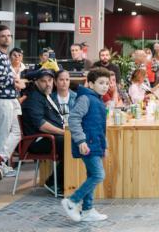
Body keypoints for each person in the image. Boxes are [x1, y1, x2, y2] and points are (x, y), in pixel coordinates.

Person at [60, 67, 112, 223]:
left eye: (107, 83)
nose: (105, 86)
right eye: (101, 83)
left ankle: (88, 210)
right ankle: (72, 201)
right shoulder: (86, 98)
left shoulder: (97, 100)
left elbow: (100, 127)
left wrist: (105, 146)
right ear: (90, 83)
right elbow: (74, 119)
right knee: (98, 175)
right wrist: (81, 141)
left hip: (96, 144)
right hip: (87, 145)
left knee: (92, 175)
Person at [20, 68, 65, 194]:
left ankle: (68, 181)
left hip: (48, 138)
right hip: (36, 141)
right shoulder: (34, 98)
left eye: (50, 80)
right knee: (69, 143)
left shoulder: (46, 96)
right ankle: (53, 183)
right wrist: (63, 132)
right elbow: (41, 125)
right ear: (36, 83)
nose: (48, 84)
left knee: (72, 141)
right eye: (43, 81)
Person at [0, 25, 21, 181]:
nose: (6, 38)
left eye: (8, 35)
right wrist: (16, 81)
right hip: (0, 99)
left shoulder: (4, 56)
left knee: (17, 131)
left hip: (9, 99)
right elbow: (2, 80)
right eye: (3, 36)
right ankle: (0, 164)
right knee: (2, 133)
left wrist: (15, 81)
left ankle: (0, 159)